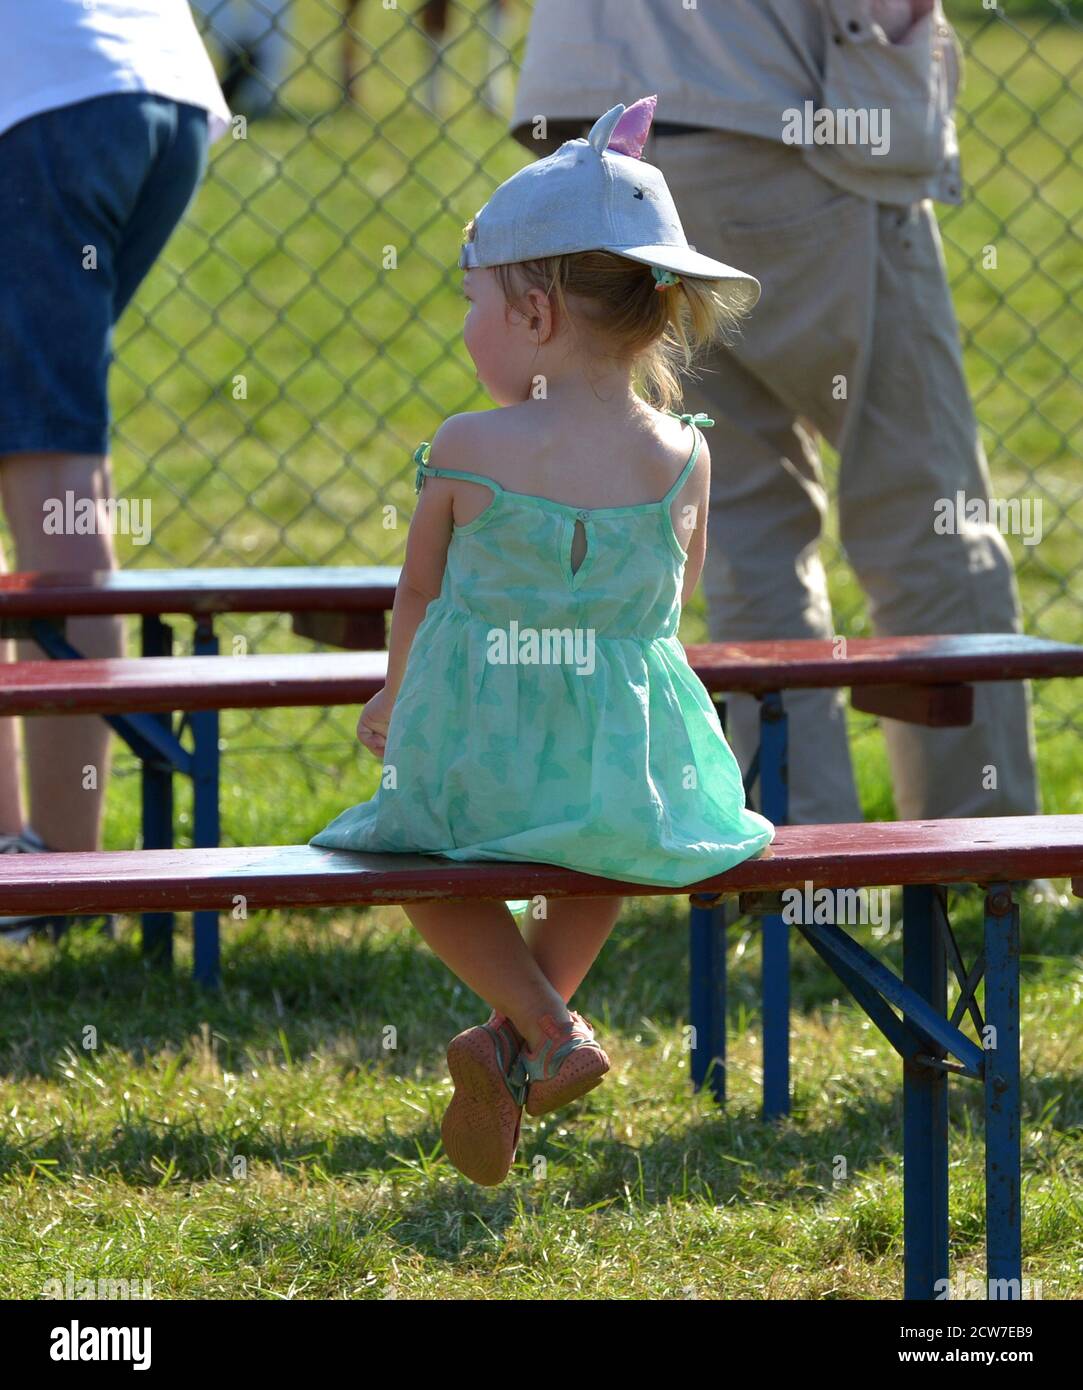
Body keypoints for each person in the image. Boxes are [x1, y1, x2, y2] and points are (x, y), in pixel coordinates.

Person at [310, 98, 774, 1186]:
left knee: (409, 864)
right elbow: (670, 604)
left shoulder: (468, 446)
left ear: (532, 310)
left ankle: (543, 1031)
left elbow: (419, 589)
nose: (465, 327)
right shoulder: (683, 458)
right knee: (602, 861)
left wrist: (394, 696)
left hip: (478, 747)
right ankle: (522, 1040)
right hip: (625, 759)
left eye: (471, 303)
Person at [510, 0, 1040, 828]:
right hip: (775, 113)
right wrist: (896, 62)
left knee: (743, 521)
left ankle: (799, 854)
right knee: (925, 510)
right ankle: (983, 848)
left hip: (593, 140)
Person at [0, 0, 230, 937]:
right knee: (40, 455)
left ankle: (57, 872)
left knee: (51, 466)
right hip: (155, 85)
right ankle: (39, 858)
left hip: (40, 99)